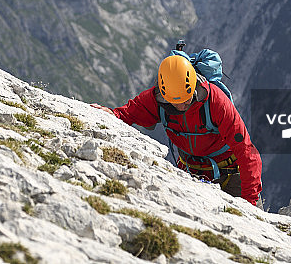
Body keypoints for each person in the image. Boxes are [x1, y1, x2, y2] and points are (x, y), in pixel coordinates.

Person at [91, 54, 262, 207]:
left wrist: (250, 203)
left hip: (231, 174)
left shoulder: (215, 101)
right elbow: (128, 113)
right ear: (164, 95)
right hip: (190, 174)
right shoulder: (156, 99)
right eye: (176, 102)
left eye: (187, 100)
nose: (182, 106)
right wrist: (112, 114)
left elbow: (246, 152)